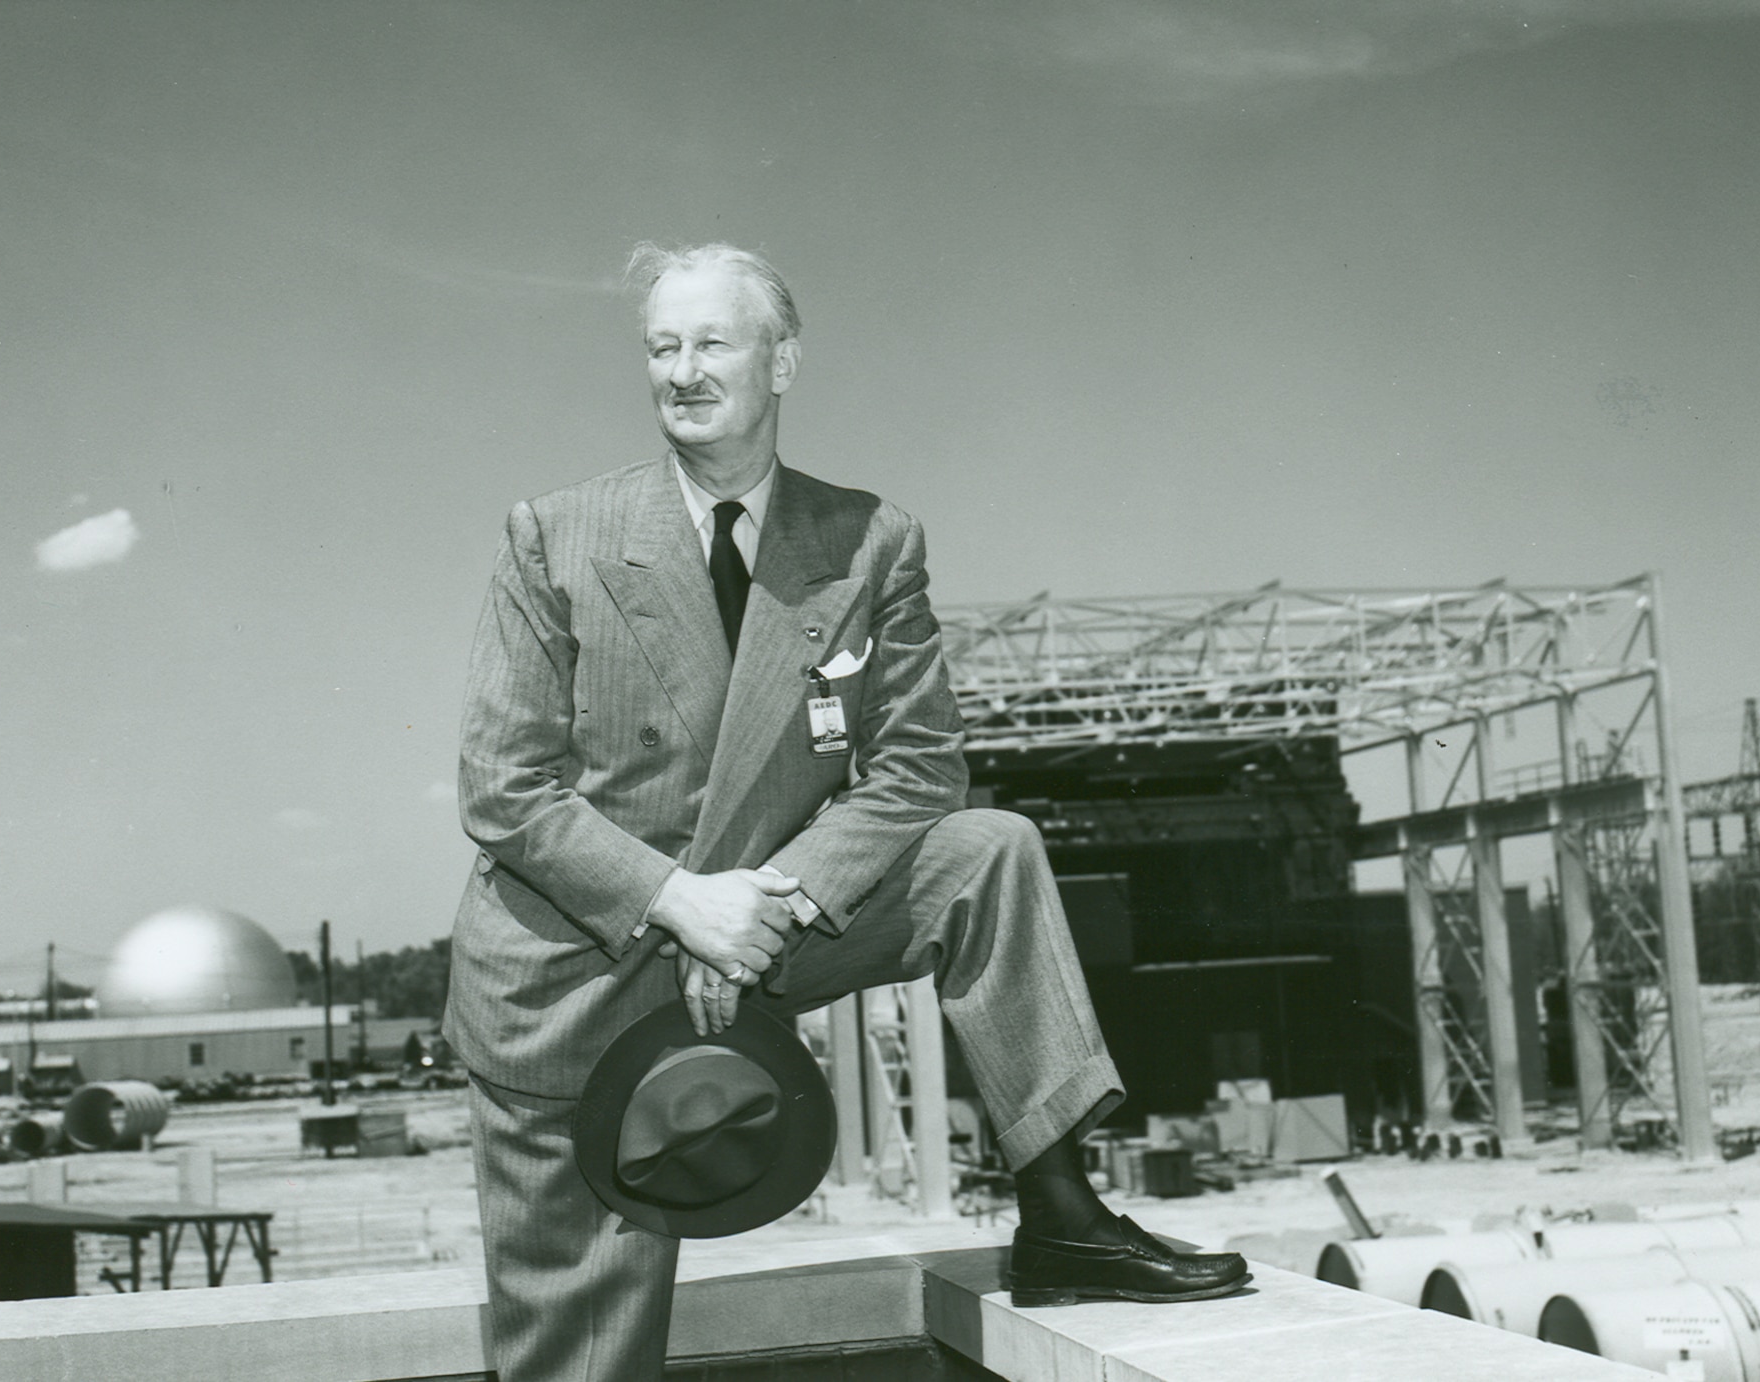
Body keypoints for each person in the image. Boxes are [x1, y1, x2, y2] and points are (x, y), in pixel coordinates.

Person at [445, 242, 1249, 1382]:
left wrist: (770, 904)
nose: (681, 370)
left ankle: (1064, 1210)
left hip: (775, 924)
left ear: (783, 361)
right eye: (660, 347)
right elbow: (503, 787)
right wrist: (684, 904)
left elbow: (919, 767)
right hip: (584, 969)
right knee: (583, 1359)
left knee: (988, 853)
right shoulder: (554, 535)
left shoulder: (869, 539)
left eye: (712, 341)